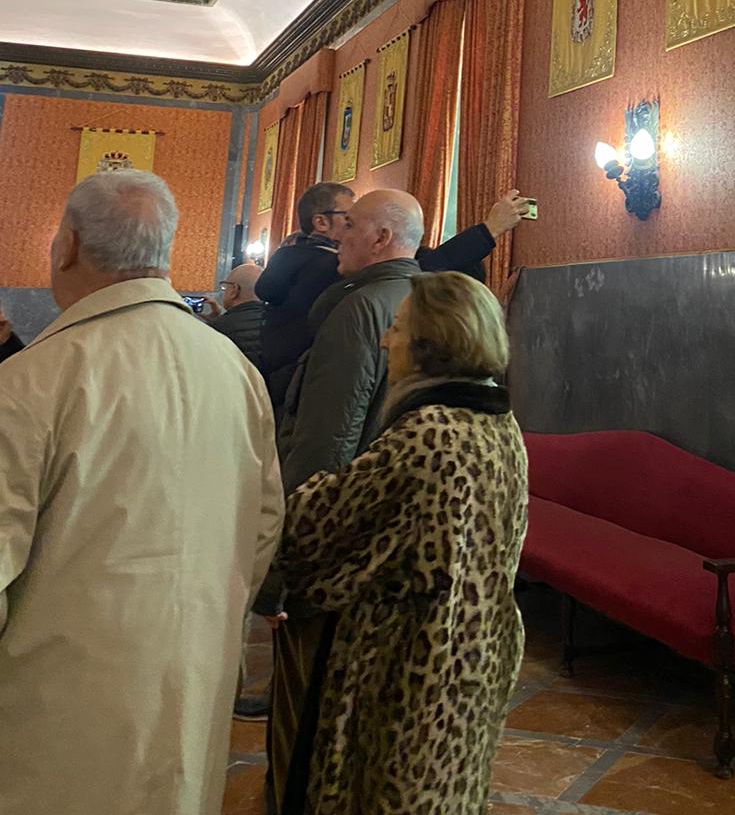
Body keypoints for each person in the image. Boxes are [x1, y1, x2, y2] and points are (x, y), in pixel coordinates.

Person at [0, 171, 283, 815]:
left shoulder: (31, 381)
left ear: (68, 246)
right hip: (192, 684)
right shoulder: (236, 371)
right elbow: (265, 524)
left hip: (52, 708)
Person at [278, 272, 528, 815]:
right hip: (474, 655)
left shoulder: (427, 434)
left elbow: (312, 531)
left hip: (410, 671)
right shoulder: (499, 423)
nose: (385, 339)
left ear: (429, 345)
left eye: (397, 327)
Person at [266, 187, 425, 810]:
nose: (338, 236)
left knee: (304, 711)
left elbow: (324, 444)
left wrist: (284, 569)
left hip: (337, 547)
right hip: (390, 545)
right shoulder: (430, 300)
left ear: (381, 238)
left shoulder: (360, 309)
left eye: (350, 225)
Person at [258, 184, 529, 409]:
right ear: (320, 222)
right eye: (348, 219)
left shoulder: (298, 261)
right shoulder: (324, 267)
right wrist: (488, 230)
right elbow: (413, 273)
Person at [257, 181, 355, 407]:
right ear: (321, 222)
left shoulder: (286, 257)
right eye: (348, 218)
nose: (353, 225)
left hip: (274, 374)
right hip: (307, 381)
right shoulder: (331, 269)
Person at [209, 260, 267, 367]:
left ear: (234, 290)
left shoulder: (217, 329)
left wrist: (212, 323)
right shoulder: (278, 324)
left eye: (225, 287)